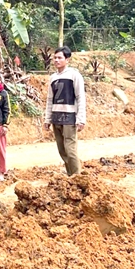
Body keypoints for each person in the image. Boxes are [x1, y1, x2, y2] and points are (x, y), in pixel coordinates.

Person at [43, 46, 86, 176]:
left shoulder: (74, 75)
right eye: (55, 58)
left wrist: (81, 118)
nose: (56, 60)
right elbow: (50, 99)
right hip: (56, 117)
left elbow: (80, 97)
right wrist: (47, 119)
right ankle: (70, 174)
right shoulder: (53, 78)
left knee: (70, 149)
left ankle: (76, 176)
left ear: (67, 59)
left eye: (60, 58)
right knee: (62, 150)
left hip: (69, 117)